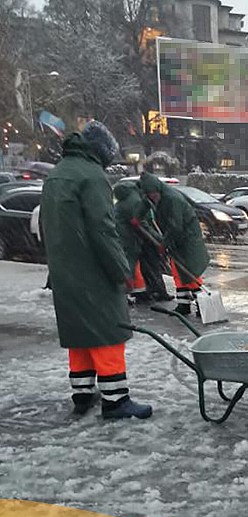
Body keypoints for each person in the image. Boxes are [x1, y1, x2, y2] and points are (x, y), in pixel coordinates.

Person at [39, 120, 152, 420]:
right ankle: (116, 401)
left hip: (65, 271)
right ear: (101, 153)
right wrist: (121, 272)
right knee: (108, 333)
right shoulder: (92, 177)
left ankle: (82, 394)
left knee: (79, 334)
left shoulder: (57, 174)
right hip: (93, 271)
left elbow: (45, 226)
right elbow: (104, 230)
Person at [138, 172, 210, 315]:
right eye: (149, 195)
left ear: (157, 190)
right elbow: (145, 205)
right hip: (176, 240)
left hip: (186, 239)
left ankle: (203, 304)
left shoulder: (172, 199)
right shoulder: (154, 197)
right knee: (178, 273)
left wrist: (164, 244)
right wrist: (137, 217)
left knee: (188, 272)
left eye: (152, 194)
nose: (151, 197)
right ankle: (183, 305)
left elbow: (175, 226)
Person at [112, 181, 172, 304]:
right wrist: (161, 240)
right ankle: (122, 294)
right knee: (128, 265)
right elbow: (143, 225)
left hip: (122, 236)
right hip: (128, 238)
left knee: (128, 264)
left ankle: (139, 292)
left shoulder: (128, 198)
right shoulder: (135, 201)